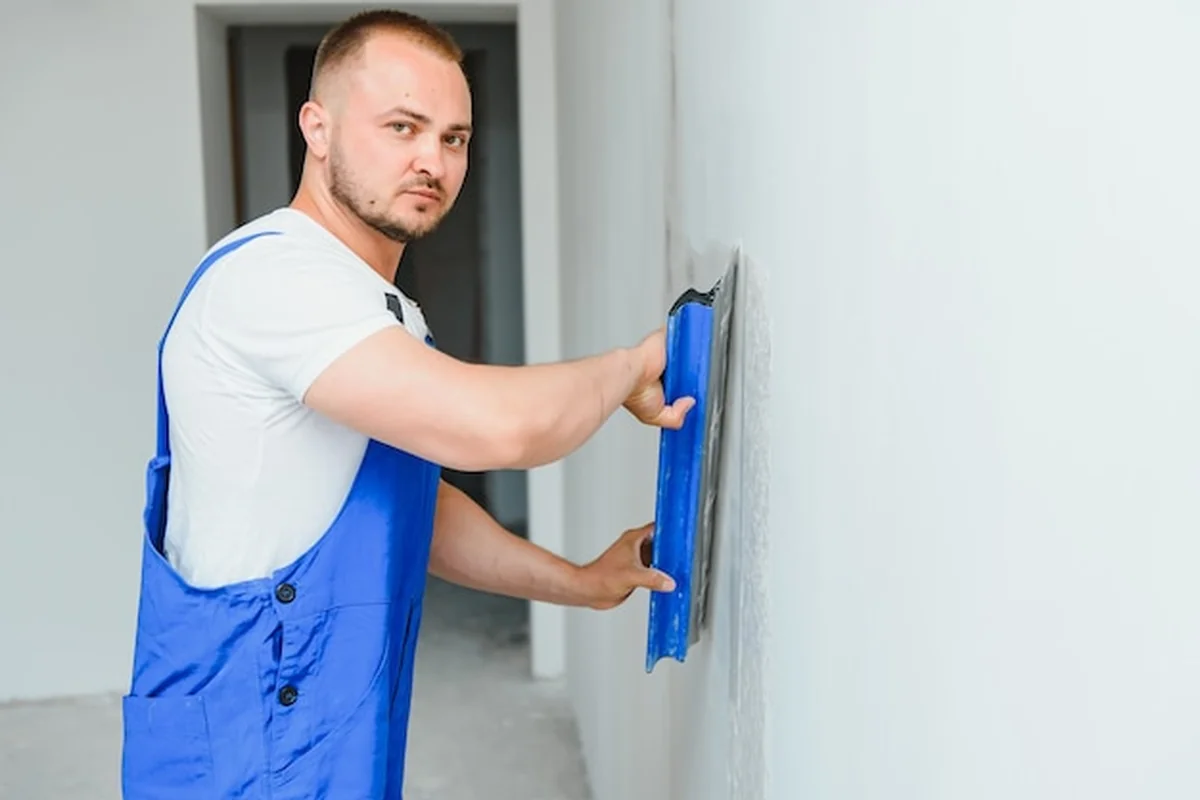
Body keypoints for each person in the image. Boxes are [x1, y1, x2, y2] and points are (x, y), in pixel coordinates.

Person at [120, 9, 692, 800]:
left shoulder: (379, 309)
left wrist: (579, 582)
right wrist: (631, 366)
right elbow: (495, 428)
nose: (433, 159)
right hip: (250, 732)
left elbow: (411, 504)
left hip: (325, 719)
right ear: (316, 128)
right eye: (403, 126)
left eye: (454, 138)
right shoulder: (276, 282)